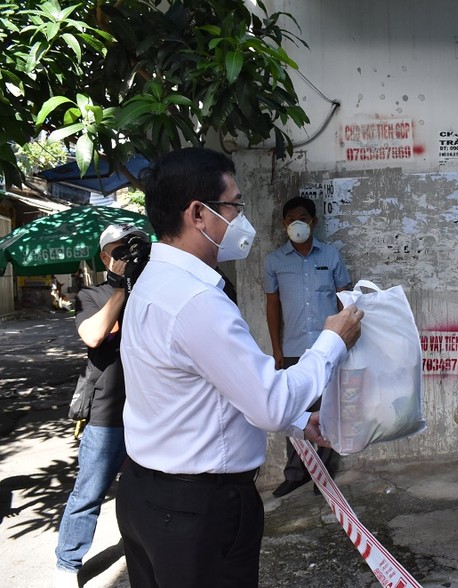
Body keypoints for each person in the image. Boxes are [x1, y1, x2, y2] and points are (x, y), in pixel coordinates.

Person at [116, 147, 363, 588]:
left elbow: (216, 390)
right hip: (199, 510)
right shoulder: (197, 301)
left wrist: (299, 422)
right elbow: (267, 403)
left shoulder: (154, 282)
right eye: (234, 205)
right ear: (198, 214)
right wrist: (333, 342)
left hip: (146, 495)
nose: (241, 220)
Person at [54, 223, 148, 587]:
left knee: (145, 488)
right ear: (106, 256)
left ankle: (140, 546)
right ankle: (67, 564)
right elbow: (94, 335)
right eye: (120, 250)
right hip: (109, 411)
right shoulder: (91, 295)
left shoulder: (151, 290)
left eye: (133, 249)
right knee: (89, 491)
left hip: (151, 409)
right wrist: (123, 288)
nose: (128, 256)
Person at [264, 196, 351, 498]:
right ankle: (296, 472)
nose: (296, 223)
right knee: (293, 412)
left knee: (328, 411)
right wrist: (276, 350)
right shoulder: (274, 261)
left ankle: (324, 475)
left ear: (313, 222)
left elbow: (345, 299)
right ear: (284, 223)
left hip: (328, 345)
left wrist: (346, 340)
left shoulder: (331, 254)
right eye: (290, 218)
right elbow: (272, 306)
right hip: (293, 348)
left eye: (302, 217)